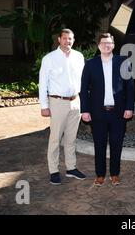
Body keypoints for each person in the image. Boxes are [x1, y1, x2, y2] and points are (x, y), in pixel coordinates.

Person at [80, 33, 134, 187]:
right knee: (99, 144)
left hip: (118, 112)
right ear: (98, 46)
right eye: (103, 43)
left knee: (117, 144)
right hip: (98, 112)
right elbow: (84, 90)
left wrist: (129, 107)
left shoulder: (123, 62)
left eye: (109, 43)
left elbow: (130, 87)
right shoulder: (90, 64)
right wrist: (85, 110)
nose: (106, 45)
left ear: (114, 45)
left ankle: (115, 174)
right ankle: (100, 174)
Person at [39, 29, 86, 185]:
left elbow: (83, 82)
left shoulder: (79, 57)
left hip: (76, 101)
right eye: (65, 38)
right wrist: (44, 106)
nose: (68, 41)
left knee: (71, 138)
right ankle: (53, 171)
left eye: (70, 39)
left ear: (74, 40)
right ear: (59, 39)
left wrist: (84, 102)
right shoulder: (49, 58)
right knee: (55, 138)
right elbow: (43, 84)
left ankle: (71, 168)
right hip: (57, 102)